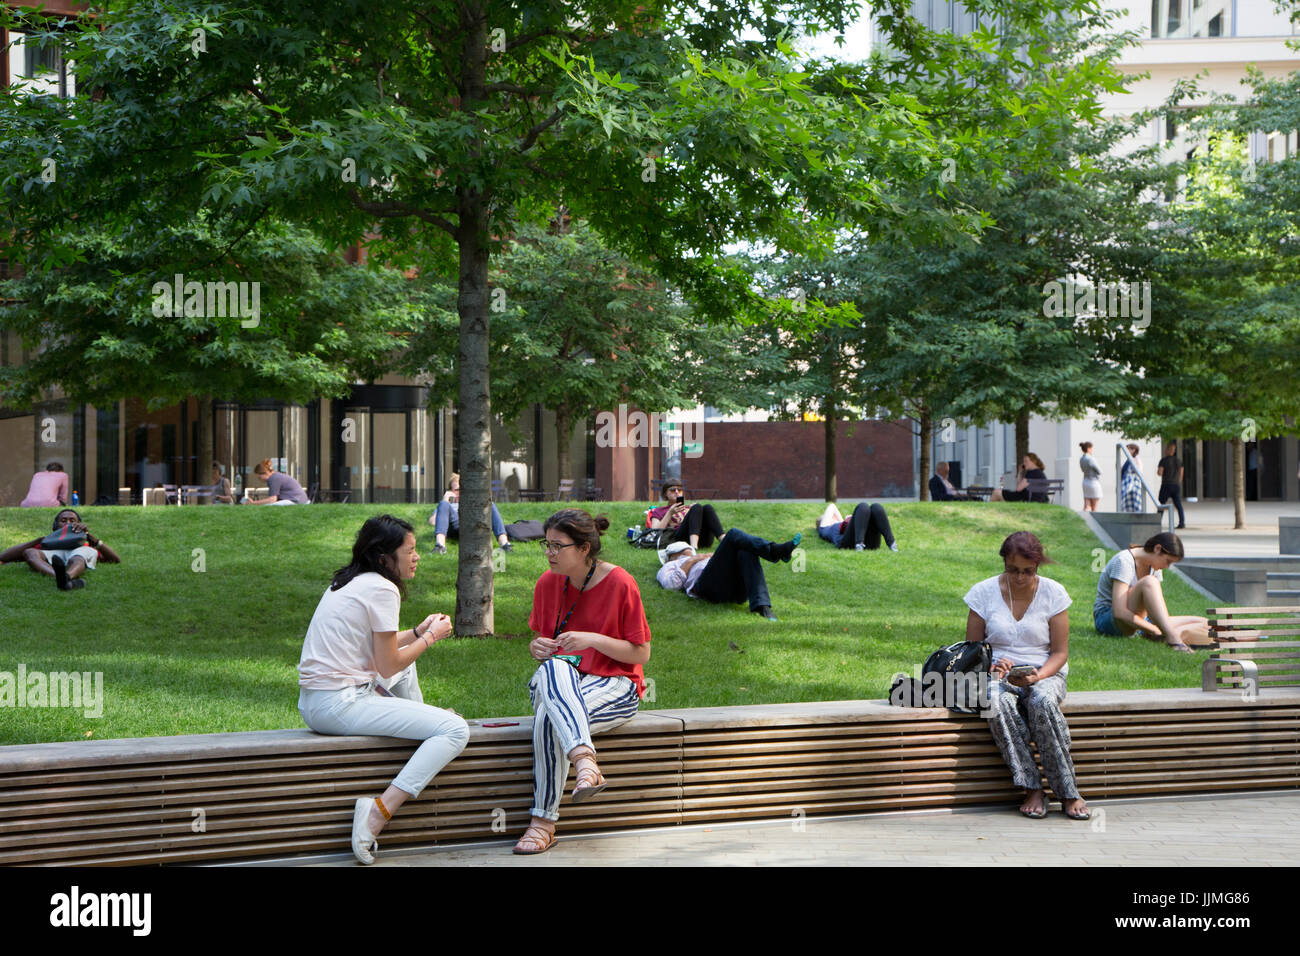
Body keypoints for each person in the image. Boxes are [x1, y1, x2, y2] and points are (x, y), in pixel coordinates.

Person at [297, 514, 468, 865]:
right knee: (455, 729)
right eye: (410, 550)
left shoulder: (350, 581)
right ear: (384, 558)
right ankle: (377, 811)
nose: (416, 556)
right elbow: (389, 664)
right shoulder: (383, 588)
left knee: (413, 668)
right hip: (339, 704)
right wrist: (431, 637)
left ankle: (425, 724)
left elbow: (379, 650)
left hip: (319, 700)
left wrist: (417, 631)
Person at [514, 509, 650, 855]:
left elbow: (640, 654)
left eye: (558, 546)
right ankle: (585, 761)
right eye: (546, 544)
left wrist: (594, 639)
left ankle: (542, 824)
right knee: (552, 668)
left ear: (585, 548)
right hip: (564, 681)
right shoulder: (547, 583)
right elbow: (548, 647)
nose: (549, 553)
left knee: (549, 718)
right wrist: (536, 646)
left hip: (614, 684)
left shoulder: (621, 583)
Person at [964, 531, 1089, 820]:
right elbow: (972, 652)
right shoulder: (982, 593)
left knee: (1042, 702)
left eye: (1027, 571)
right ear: (1004, 563)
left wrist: (1038, 676)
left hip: (1044, 672)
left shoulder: (1053, 593)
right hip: (998, 675)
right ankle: (1032, 788)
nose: (1020, 577)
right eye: (1012, 570)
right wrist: (993, 666)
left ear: (1038, 566)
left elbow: (1059, 653)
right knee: (995, 702)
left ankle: (1069, 790)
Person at [1093, 532, 1210, 653]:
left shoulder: (1154, 566)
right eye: (1168, 561)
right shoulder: (1124, 561)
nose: (1167, 567)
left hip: (1141, 620)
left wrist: (1156, 627)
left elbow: (1153, 610)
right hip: (1109, 620)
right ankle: (1173, 639)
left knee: (1204, 622)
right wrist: (1154, 629)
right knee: (1149, 582)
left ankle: (1168, 635)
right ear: (1157, 549)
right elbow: (1119, 612)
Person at [655, 529, 802, 621]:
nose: (686, 551)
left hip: (734, 591)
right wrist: (693, 560)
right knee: (732, 534)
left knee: (746, 549)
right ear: (671, 556)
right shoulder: (670, 565)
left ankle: (762, 606)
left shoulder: (704, 555)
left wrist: (711, 557)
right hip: (707, 587)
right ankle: (775, 551)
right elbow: (670, 585)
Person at [0, 508, 121, 590]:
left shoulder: (86, 544)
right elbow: (4, 556)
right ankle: (61, 579)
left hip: (78, 552)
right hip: (53, 552)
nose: (68, 523)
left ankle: (67, 577)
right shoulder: (47, 543)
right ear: (55, 526)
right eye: (63, 521)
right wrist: (40, 540)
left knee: (78, 558)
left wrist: (89, 536)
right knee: (30, 552)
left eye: (72, 520)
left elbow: (115, 559)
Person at [428, 472, 510, 554]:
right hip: (455, 526)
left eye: (463, 489)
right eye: (457, 490)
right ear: (451, 491)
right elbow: (433, 522)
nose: (460, 493)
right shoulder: (446, 505)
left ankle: (504, 544)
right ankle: (440, 546)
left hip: (473, 525)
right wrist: (445, 499)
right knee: (443, 504)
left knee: (489, 504)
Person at [647, 480, 724, 550]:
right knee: (696, 507)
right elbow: (655, 531)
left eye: (679, 490)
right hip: (680, 540)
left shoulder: (689, 508)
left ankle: (724, 540)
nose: (677, 492)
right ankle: (693, 547)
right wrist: (670, 513)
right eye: (673, 490)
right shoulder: (659, 510)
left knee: (707, 507)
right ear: (665, 494)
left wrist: (695, 511)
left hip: (704, 539)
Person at [816, 502, 898, 552]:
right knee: (863, 506)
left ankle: (892, 544)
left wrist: (846, 519)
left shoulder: (842, 524)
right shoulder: (825, 528)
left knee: (876, 507)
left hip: (870, 543)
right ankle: (859, 545)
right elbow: (832, 506)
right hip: (848, 544)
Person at [244, 458, 309, 505]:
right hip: (301, 501)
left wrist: (253, 503)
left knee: (267, 507)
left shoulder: (273, 479)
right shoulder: (277, 476)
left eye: (259, 477)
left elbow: (272, 500)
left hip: (296, 502)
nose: (259, 479)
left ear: (265, 473)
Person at [1157, 441, 1186, 528]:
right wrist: (1178, 482)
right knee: (1178, 505)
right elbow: (1181, 474)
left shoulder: (1163, 460)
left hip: (1166, 484)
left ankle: (1158, 522)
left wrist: (1160, 471)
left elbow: (1160, 473)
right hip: (1176, 485)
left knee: (1161, 504)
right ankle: (1182, 522)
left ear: (1167, 450)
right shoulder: (1179, 461)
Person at [1120, 444, 1145, 513]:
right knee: (1126, 502)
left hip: (1132, 483)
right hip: (1126, 483)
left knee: (1135, 501)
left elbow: (1139, 471)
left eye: (1128, 449)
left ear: (1133, 450)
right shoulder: (1128, 460)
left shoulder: (1136, 459)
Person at [1078, 442, 1102, 512]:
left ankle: (1084, 519)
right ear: (1088, 449)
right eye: (1091, 449)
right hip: (1093, 482)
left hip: (1085, 481)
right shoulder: (1091, 459)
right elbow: (1099, 471)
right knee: (1094, 507)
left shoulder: (1082, 459)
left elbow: (1082, 470)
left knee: (1087, 504)